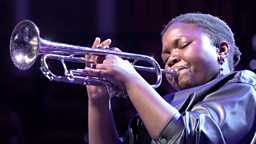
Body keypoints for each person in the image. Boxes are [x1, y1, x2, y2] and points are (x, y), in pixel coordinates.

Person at [85, 13, 256, 144]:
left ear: (222, 50)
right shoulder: (164, 105)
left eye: (183, 45)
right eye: (165, 58)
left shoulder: (243, 85)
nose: (171, 59)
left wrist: (131, 79)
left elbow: (186, 138)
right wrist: (98, 100)